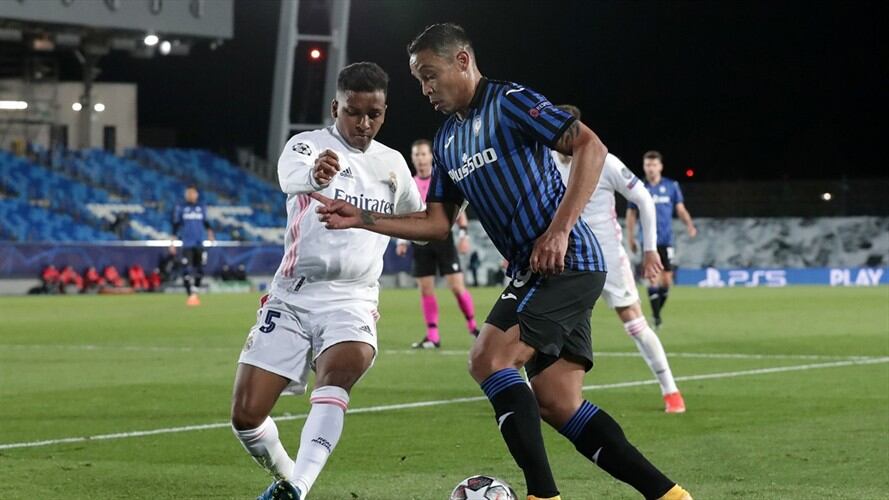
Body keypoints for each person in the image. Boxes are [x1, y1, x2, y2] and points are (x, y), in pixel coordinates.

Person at [313, 23, 692, 500]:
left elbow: (589, 146)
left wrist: (558, 230)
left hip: (567, 259)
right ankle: (670, 495)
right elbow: (436, 223)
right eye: (418, 81)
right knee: (559, 403)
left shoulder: (509, 101)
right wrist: (364, 217)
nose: (425, 88)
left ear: (463, 61)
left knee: (488, 358)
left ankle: (542, 495)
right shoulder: (449, 139)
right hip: (533, 271)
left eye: (430, 75)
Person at [229, 62, 424, 500]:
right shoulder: (308, 145)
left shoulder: (392, 164)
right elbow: (289, 177)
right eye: (354, 112)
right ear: (336, 106)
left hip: (353, 301)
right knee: (246, 416)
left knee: (334, 379)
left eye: (374, 114)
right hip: (293, 297)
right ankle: (287, 479)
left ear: (385, 111)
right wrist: (317, 174)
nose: (364, 123)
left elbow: (419, 218)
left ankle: (298, 487)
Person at [552, 105, 685, 414]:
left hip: (606, 254)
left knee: (634, 322)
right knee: (542, 322)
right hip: (565, 255)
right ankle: (534, 391)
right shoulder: (542, 159)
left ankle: (671, 391)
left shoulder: (602, 160)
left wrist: (650, 249)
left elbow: (643, 199)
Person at [396, 138, 479, 349]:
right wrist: (401, 239)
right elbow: (404, 214)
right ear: (413, 159)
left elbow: (458, 211)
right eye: (417, 155)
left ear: (431, 156)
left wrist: (463, 236)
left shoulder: (442, 180)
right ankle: (433, 336)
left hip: (443, 238)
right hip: (420, 241)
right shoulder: (410, 184)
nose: (421, 159)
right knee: (425, 289)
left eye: (424, 154)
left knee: (457, 287)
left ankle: (473, 327)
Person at [626, 151, 697, 328]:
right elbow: (631, 213)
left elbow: (680, 209)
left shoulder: (671, 186)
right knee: (653, 278)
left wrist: (689, 224)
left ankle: (657, 312)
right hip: (648, 241)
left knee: (666, 281)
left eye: (654, 165)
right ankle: (656, 317)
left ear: (660, 166)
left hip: (667, 240)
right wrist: (631, 238)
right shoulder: (638, 186)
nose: (650, 168)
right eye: (647, 165)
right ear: (644, 166)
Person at [171, 185, 215, 306]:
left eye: (192, 193)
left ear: (196, 194)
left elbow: (207, 223)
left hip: (199, 243)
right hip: (187, 244)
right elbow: (175, 226)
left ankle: (194, 291)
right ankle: (190, 294)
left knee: (200, 269)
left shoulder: (201, 207)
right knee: (186, 269)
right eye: (188, 193)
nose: (190, 195)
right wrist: (172, 243)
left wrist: (210, 235)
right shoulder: (181, 208)